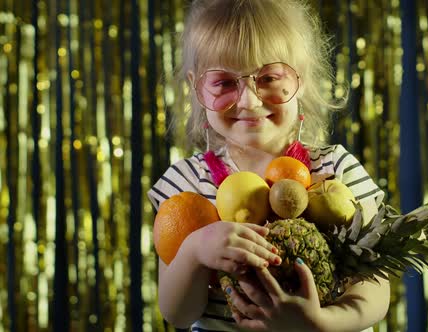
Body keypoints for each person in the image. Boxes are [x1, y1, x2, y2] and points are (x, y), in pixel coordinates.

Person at [147, 0, 390, 331]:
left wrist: (318, 322)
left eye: (269, 77)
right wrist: (194, 251)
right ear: (195, 85)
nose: (249, 101)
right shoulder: (185, 184)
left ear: (300, 78)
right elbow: (177, 313)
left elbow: (375, 292)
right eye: (224, 82)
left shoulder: (335, 170)